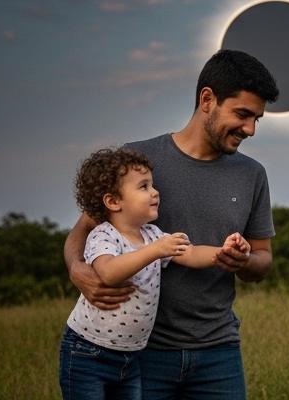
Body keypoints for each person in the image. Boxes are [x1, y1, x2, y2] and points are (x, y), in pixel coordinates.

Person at [65, 48, 280, 399]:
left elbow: (263, 259)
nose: (250, 129)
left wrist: (243, 261)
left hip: (218, 353)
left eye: (257, 119)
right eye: (242, 114)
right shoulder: (138, 163)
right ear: (207, 99)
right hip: (140, 354)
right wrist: (77, 269)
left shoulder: (252, 175)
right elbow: (83, 229)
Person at [61, 147, 246, 399]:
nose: (155, 192)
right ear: (113, 202)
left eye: (152, 185)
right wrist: (155, 251)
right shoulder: (104, 235)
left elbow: (191, 253)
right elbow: (108, 272)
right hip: (88, 352)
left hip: (131, 358)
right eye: (144, 187)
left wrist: (224, 251)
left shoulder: (152, 235)